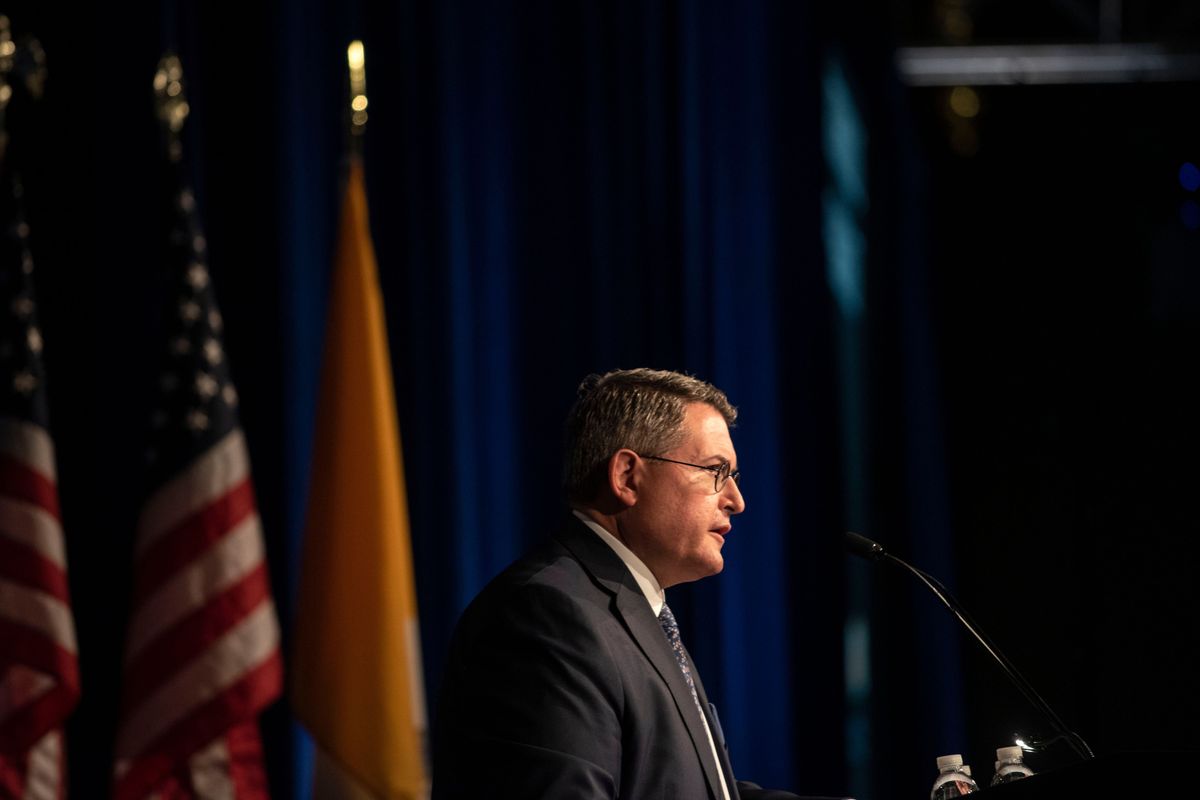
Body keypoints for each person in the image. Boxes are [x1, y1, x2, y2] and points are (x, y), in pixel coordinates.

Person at [432, 368, 803, 799]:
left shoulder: (634, 611)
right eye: (715, 471)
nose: (736, 501)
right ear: (627, 476)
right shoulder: (547, 617)